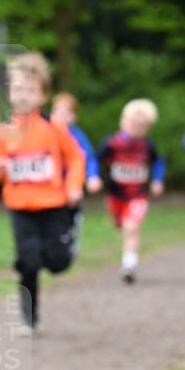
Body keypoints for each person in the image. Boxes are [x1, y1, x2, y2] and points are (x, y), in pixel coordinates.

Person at [0, 53, 84, 334]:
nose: (23, 96)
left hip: (53, 205)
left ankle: (68, 240)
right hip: (20, 206)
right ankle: (28, 319)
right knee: (27, 263)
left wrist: (73, 187)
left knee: (57, 263)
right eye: (17, 89)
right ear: (8, 93)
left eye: (30, 90)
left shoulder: (54, 128)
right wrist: (0, 167)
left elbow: (76, 158)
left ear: (43, 95)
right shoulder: (5, 130)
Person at [97, 99, 166, 284]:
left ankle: (129, 265)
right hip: (116, 195)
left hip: (137, 195)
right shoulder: (112, 143)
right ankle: (128, 254)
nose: (136, 128)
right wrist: (93, 177)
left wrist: (158, 180)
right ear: (123, 121)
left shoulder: (147, 145)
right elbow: (95, 161)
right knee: (122, 226)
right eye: (132, 123)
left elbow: (159, 162)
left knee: (132, 227)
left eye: (141, 125)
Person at [51, 92, 102, 257]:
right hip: (52, 185)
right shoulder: (46, 134)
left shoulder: (77, 136)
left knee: (71, 213)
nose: (60, 116)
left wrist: (92, 176)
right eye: (57, 111)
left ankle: (73, 232)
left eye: (65, 113)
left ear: (74, 116)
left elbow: (88, 158)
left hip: (72, 184)